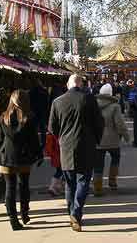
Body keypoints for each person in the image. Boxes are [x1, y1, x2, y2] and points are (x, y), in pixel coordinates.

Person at [48, 74, 104, 232]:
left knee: (70, 182)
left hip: (66, 147)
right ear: (81, 84)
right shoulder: (89, 99)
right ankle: (76, 213)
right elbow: (99, 123)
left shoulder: (57, 102)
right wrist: (95, 139)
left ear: (68, 84)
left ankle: (72, 213)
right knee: (83, 180)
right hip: (86, 145)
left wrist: (63, 137)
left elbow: (52, 128)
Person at [0, 89, 42, 230]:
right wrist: (38, 154)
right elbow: (34, 140)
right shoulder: (29, 117)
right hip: (24, 156)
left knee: (10, 188)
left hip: (6, 157)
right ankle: (24, 213)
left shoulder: (4, 117)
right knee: (24, 185)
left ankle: (12, 219)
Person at [94, 83, 130, 196]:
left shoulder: (93, 104)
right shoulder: (115, 106)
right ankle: (112, 181)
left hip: (97, 139)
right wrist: (126, 136)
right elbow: (119, 123)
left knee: (98, 164)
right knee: (115, 159)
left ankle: (97, 188)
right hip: (112, 139)